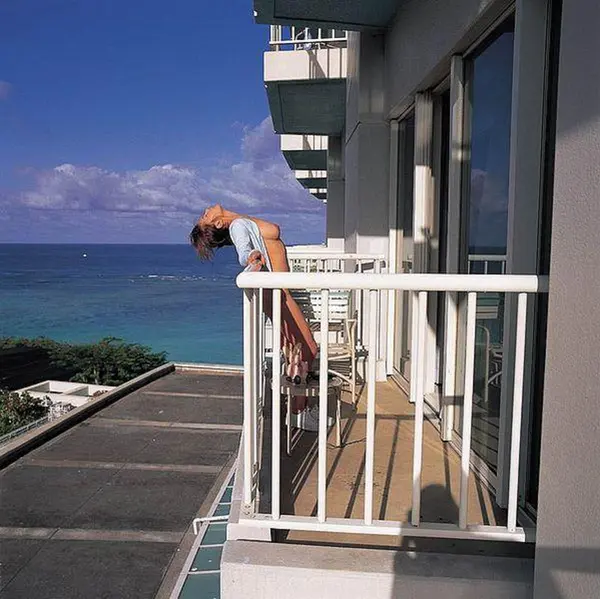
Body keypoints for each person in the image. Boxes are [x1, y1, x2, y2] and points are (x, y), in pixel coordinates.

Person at [189, 205, 318, 415]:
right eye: (205, 216)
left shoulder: (240, 221)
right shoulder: (238, 226)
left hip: (277, 292)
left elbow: (272, 230)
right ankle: (300, 411)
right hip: (276, 293)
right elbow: (244, 252)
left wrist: (230, 216)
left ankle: (297, 409)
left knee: (295, 351)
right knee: (308, 349)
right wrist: (252, 255)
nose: (206, 209)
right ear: (218, 223)